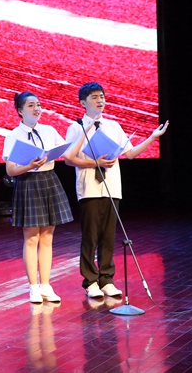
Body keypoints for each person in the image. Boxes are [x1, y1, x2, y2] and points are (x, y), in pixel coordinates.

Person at [64, 82, 168, 298]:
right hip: (89, 188)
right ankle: (90, 281)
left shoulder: (113, 126)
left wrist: (152, 137)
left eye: (102, 96)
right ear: (83, 103)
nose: (100, 100)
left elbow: (130, 154)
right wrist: (95, 160)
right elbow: (69, 159)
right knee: (90, 236)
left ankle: (106, 280)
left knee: (108, 236)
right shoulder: (76, 127)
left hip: (111, 187)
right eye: (94, 97)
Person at [3, 91, 73, 303]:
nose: (37, 109)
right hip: (28, 182)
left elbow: (66, 152)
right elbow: (11, 170)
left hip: (49, 180)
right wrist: (29, 166)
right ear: (20, 111)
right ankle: (33, 287)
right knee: (32, 237)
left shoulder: (49, 130)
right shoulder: (14, 135)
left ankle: (46, 285)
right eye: (31, 105)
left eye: (39, 105)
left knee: (48, 237)